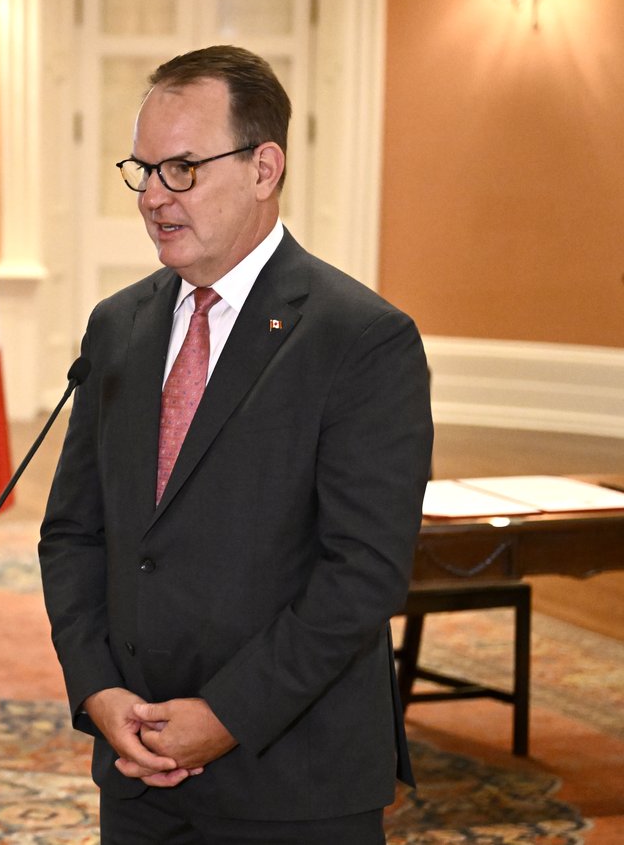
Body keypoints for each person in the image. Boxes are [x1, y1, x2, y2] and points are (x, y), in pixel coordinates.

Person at [38, 46, 433, 843]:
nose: (153, 196)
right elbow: (74, 534)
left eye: (181, 168)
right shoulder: (117, 326)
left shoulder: (362, 339)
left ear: (265, 167)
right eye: (142, 169)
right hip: (138, 773)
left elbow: (362, 574)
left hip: (293, 781)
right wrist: (98, 691)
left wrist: (225, 714)